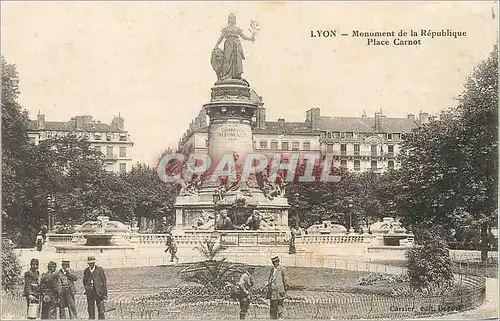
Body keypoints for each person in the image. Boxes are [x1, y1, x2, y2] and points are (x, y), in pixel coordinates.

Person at [213, 13, 255, 81]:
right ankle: (226, 75)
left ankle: (236, 75)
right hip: (228, 45)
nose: (232, 19)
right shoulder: (226, 29)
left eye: (233, 18)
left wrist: (251, 38)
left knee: (237, 60)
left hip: (236, 45)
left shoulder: (237, 29)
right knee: (227, 59)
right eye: (231, 18)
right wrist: (216, 45)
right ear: (228, 19)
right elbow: (221, 38)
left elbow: (243, 36)